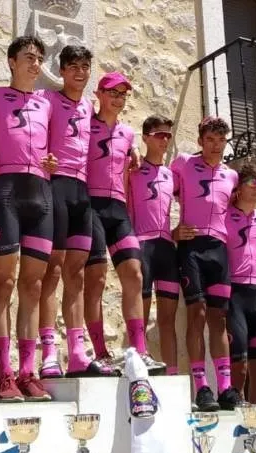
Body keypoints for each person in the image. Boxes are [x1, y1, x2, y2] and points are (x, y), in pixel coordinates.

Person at [0, 36, 58, 401]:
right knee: (4, 283)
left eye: (39, 58)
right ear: (11, 61)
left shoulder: (48, 102)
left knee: (33, 286)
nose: (35, 64)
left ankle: (27, 371)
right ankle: (4, 374)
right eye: (28, 57)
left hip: (41, 193)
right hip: (8, 190)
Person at [83, 72, 164, 375]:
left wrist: (134, 151)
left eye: (122, 94)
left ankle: (139, 351)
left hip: (118, 209)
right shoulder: (85, 124)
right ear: (99, 94)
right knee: (96, 279)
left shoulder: (128, 133)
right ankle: (100, 352)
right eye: (112, 93)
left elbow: (130, 161)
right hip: (90, 205)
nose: (117, 99)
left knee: (134, 273)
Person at [37, 45, 98, 379]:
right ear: (61, 71)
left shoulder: (89, 106)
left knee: (77, 273)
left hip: (82, 191)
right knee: (53, 270)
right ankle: (48, 353)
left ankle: (76, 352)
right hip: (56, 186)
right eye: (73, 66)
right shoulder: (47, 100)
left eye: (84, 66)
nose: (79, 72)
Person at [170, 116, 239, 412]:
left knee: (219, 318)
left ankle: (225, 387)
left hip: (219, 249)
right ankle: (201, 387)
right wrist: (172, 232)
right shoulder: (183, 163)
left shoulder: (231, 176)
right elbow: (161, 194)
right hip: (192, 247)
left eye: (221, 140)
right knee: (196, 314)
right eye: (210, 139)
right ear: (200, 141)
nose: (215, 146)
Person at [127, 114, 180, 376]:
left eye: (168, 136)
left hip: (167, 248)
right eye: (160, 135)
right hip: (142, 244)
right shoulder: (133, 170)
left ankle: (172, 374)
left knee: (167, 320)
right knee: (142, 313)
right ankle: (139, 370)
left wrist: (180, 231)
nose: (165, 140)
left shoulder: (172, 175)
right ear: (146, 137)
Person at [224, 163, 256, 405]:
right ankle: (235, 406)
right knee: (240, 362)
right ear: (239, 187)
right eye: (253, 183)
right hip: (235, 292)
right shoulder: (224, 214)